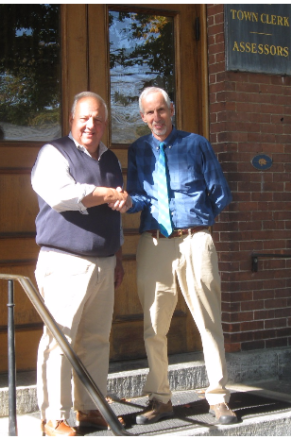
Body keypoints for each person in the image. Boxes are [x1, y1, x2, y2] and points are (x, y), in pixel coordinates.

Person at [111, 86, 239, 425]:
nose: (156, 118)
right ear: (143, 117)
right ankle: (161, 398)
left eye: (161, 110)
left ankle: (218, 397)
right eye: (149, 113)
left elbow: (219, 193)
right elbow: (139, 195)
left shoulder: (196, 144)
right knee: (154, 326)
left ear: (172, 109)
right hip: (154, 242)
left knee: (209, 322)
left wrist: (195, 219)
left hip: (195, 239)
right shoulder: (138, 149)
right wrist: (128, 203)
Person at [31, 91, 128, 436]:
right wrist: (104, 194)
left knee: (97, 339)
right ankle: (53, 418)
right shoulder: (54, 153)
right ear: (71, 120)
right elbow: (61, 195)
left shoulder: (111, 160)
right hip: (65, 262)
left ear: (104, 124)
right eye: (84, 118)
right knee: (59, 340)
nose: (91, 125)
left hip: (103, 263)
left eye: (98, 119)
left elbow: (116, 214)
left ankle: (89, 409)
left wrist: (117, 256)